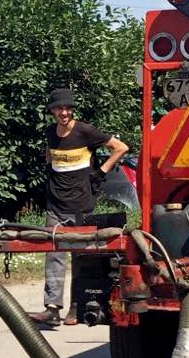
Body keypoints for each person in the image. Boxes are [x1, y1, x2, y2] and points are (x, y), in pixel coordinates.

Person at [29, 88, 128, 326]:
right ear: (52, 111)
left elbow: (121, 147)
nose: (64, 112)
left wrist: (100, 172)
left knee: (81, 259)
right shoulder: (50, 133)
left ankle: (76, 307)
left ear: (72, 109)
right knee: (54, 253)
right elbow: (50, 157)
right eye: (59, 108)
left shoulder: (85, 131)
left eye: (67, 108)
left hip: (81, 206)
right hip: (55, 204)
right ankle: (52, 309)